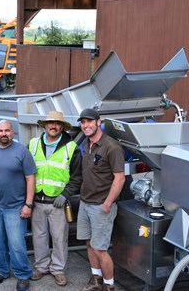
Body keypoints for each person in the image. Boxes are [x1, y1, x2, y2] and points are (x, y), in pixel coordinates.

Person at [0, 120, 36, 291]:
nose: (4, 134)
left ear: (13, 133)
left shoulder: (22, 152)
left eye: (7, 131)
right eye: (1, 131)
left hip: (16, 207)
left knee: (16, 243)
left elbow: (30, 179)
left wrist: (28, 205)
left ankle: (23, 274)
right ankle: (1, 271)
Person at [29, 111, 82, 286]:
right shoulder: (33, 144)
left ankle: (58, 269)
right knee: (39, 236)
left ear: (62, 127)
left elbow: (77, 177)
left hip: (58, 203)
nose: (53, 126)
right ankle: (42, 266)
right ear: (44, 125)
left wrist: (65, 195)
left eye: (57, 124)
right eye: (50, 123)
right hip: (37, 201)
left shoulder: (71, 147)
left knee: (59, 238)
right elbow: (26, 172)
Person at [76, 108, 125, 291]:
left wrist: (107, 203)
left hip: (101, 206)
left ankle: (109, 286)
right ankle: (96, 279)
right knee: (89, 243)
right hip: (85, 203)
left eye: (89, 121)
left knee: (100, 249)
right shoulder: (87, 144)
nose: (85, 125)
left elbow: (120, 178)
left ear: (98, 122)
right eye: (83, 122)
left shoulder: (111, 147)